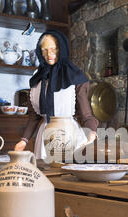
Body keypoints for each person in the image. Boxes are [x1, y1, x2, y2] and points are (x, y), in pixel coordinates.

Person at [14, 29, 98, 160]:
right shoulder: (37, 80)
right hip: (43, 137)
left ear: (62, 49)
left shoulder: (75, 77)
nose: (49, 54)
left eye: (54, 49)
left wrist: (91, 132)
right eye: (45, 50)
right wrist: (23, 140)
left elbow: (86, 114)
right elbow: (34, 117)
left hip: (69, 134)